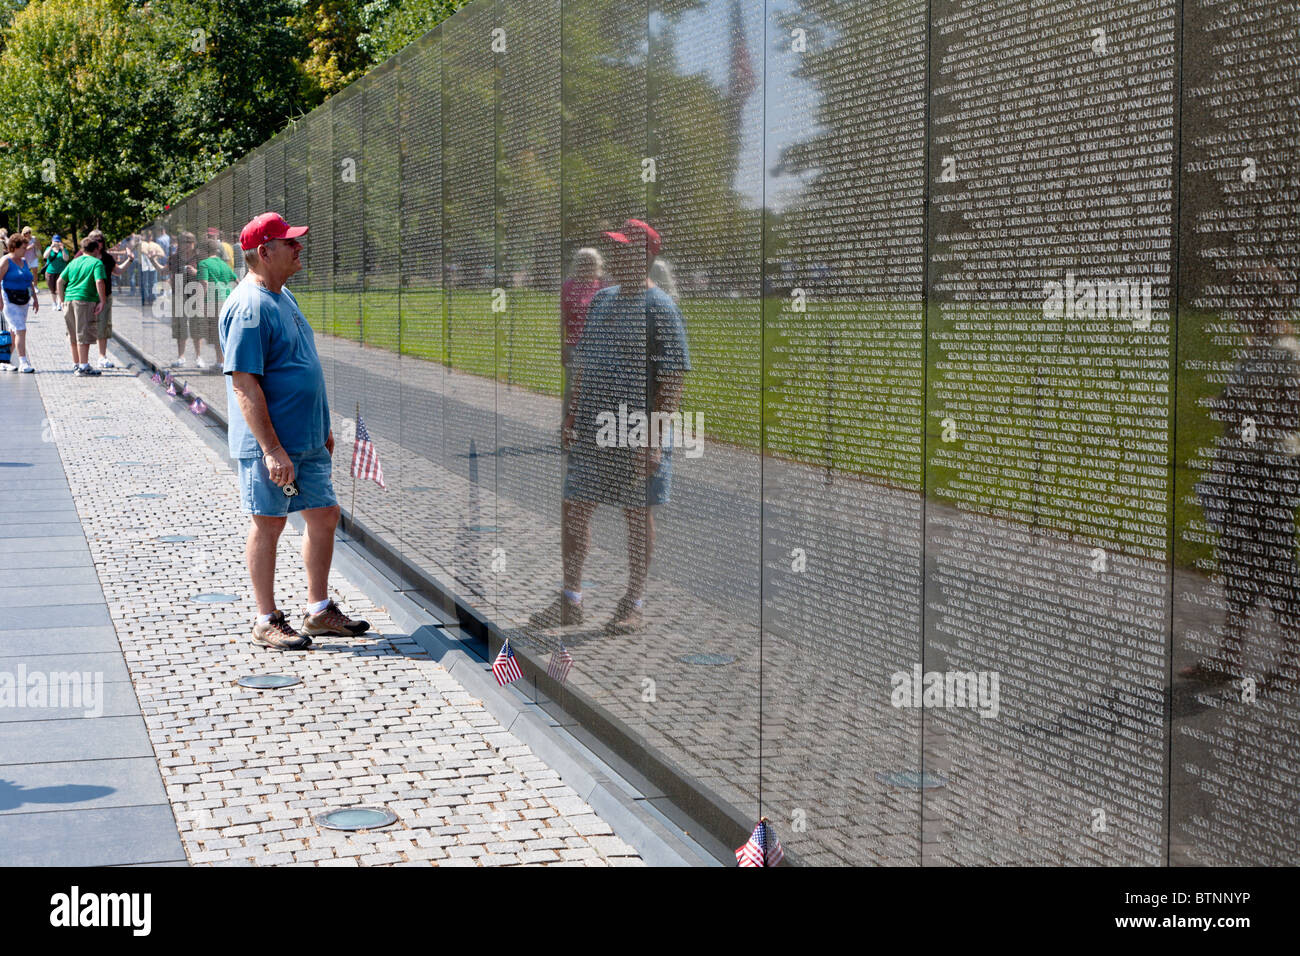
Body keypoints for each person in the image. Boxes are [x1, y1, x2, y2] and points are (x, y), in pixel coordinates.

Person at [530, 219, 691, 634]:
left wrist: (654, 443)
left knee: (636, 515)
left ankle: (634, 601)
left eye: (626, 250)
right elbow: (582, 362)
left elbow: (672, 378)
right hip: (592, 426)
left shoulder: (662, 308)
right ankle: (571, 599)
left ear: (647, 257)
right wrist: (571, 415)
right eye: (614, 249)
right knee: (574, 507)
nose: (617, 256)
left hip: (635, 427)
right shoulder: (602, 299)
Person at [220, 212, 369, 650]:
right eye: (290, 243)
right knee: (269, 523)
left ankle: (319, 611)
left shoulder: (283, 296)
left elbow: (300, 368)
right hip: (274, 446)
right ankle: (266, 619)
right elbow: (244, 382)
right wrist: (271, 449)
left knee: (324, 514)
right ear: (264, 252)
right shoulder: (248, 306)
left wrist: (320, 428)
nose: (299, 247)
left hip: (305, 441)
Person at [56, 236, 107, 377]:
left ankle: (77, 363)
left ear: (82, 249)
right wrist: (102, 301)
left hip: (69, 299)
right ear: (96, 249)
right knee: (83, 333)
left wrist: (61, 300)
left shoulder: (74, 262)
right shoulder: (96, 263)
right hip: (84, 300)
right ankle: (84, 367)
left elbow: (60, 281)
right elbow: (99, 282)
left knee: (73, 334)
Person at [88, 229, 133, 370]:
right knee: (86, 328)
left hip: (105, 296)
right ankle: (83, 359)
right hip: (88, 296)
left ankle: (102, 356)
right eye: (95, 240)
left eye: (100, 240)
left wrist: (130, 259)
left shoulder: (107, 258)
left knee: (103, 327)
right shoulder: (84, 257)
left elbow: (118, 271)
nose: (98, 243)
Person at [0, 233, 40, 373]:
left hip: (23, 299)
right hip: (9, 300)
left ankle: (4, 360)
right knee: (20, 329)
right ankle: (23, 361)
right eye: (23, 247)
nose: (26, 250)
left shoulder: (23, 261)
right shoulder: (6, 260)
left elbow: (28, 280)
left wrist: (35, 298)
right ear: (14, 247)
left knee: (14, 331)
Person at [197, 236, 236, 367]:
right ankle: (224, 361)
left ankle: (221, 362)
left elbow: (204, 284)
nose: (199, 253)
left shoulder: (203, 264)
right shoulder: (224, 264)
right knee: (226, 332)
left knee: (215, 332)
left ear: (205, 251)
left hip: (213, 302)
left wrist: (200, 303)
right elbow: (237, 281)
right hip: (228, 301)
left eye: (200, 251)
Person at [168, 231, 204, 367]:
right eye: (184, 241)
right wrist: (153, 260)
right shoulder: (174, 258)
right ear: (179, 243)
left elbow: (206, 275)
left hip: (195, 294)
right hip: (178, 295)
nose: (187, 244)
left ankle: (198, 357)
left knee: (196, 327)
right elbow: (166, 272)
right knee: (180, 327)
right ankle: (181, 357)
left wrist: (196, 272)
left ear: (194, 243)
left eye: (190, 241)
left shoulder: (200, 258)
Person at [137, 229, 164, 307]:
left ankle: (153, 298)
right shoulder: (142, 244)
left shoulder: (155, 245)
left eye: (150, 236)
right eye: (148, 236)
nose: (149, 237)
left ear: (152, 237)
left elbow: (162, 253)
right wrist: (148, 253)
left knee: (153, 282)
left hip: (153, 266)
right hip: (143, 265)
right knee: (144, 283)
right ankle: (145, 298)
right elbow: (141, 251)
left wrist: (155, 254)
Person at [43, 234, 70, 311]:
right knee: (52, 288)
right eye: (55, 241)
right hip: (50, 272)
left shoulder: (64, 250)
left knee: (60, 288)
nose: (56, 243)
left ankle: (59, 303)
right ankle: (54, 303)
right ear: (52, 241)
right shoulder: (49, 248)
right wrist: (51, 247)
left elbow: (66, 259)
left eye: (58, 241)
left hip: (61, 272)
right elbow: (45, 256)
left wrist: (62, 249)